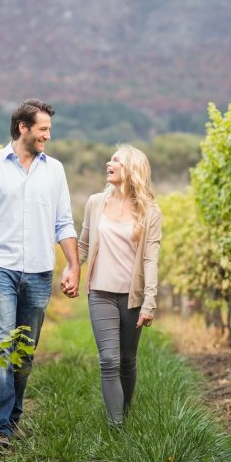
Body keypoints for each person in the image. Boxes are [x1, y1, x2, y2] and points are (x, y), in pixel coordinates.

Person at [0, 99, 80, 444]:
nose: (48, 136)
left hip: (40, 272)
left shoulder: (54, 170)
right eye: (43, 129)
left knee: (23, 353)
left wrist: (73, 265)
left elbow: (63, 222)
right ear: (23, 127)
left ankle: (11, 420)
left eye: (49, 130)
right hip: (0, 269)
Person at [77, 144, 161, 426]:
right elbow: (84, 244)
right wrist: (71, 270)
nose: (108, 163)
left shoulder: (150, 211)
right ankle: (116, 427)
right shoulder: (95, 203)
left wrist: (149, 302)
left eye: (115, 160)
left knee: (127, 360)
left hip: (132, 297)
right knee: (109, 360)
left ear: (132, 169)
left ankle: (124, 413)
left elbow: (151, 259)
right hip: (100, 293)